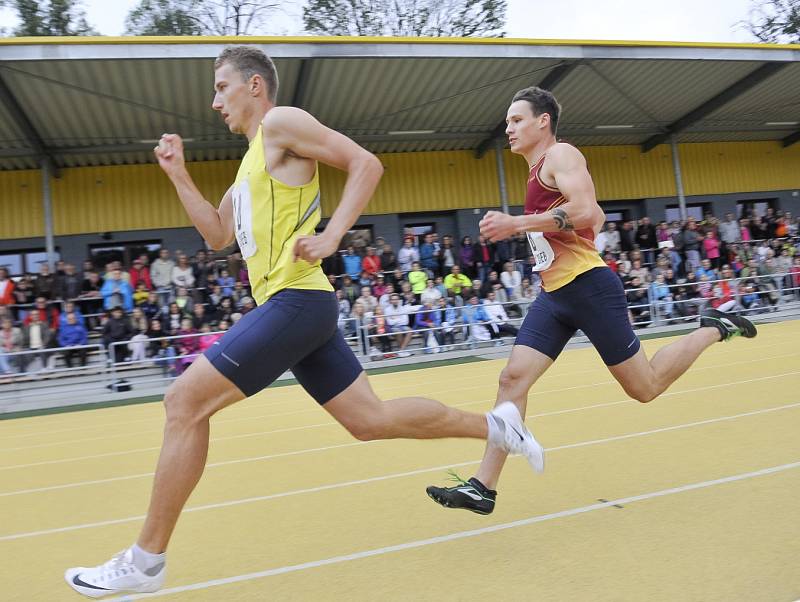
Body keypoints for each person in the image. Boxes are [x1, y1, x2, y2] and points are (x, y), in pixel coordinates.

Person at [65, 46, 541, 598]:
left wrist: (334, 234)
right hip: (297, 306)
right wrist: (178, 176)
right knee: (370, 420)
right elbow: (217, 236)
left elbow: (367, 163)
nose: (214, 100)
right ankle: (499, 425)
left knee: (183, 403)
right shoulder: (247, 168)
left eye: (222, 87)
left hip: (295, 300)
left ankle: (146, 560)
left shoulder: (281, 123)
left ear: (255, 86)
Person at [426, 85, 757, 515]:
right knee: (513, 379)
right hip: (554, 294)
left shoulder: (561, 155)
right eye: (508, 121)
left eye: (516, 119)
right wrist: (558, 230)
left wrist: (519, 223)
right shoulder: (536, 172)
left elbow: (584, 210)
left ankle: (714, 326)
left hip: (588, 287)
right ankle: (482, 487)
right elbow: (595, 216)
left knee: (645, 387)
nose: (507, 128)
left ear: (542, 120)